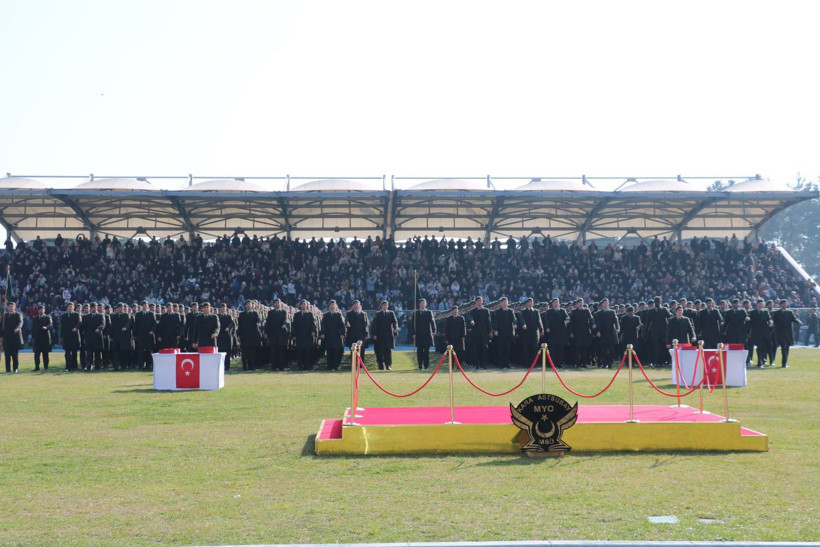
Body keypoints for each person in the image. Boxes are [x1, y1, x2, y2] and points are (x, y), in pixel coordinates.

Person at [771, 299, 802, 368]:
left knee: (787, 348)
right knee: (784, 347)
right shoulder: (776, 313)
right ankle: (784, 364)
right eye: (784, 304)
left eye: (786, 304)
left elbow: (794, 319)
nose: (785, 305)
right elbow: (772, 320)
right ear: (781, 304)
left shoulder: (789, 312)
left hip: (788, 333)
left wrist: (799, 322)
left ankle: (784, 363)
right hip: (780, 333)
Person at [371, 300, 398, 370]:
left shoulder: (391, 313)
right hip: (380, 336)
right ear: (381, 306)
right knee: (380, 351)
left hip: (388, 335)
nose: (385, 306)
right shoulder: (378, 314)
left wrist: (395, 330)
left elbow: (395, 322)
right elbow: (374, 325)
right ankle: (380, 365)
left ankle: (388, 365)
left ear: (387, 306)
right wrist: (374, 334)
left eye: (386, 305)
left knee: (388, 351)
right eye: (383, 305)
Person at [265, 298, 291, 371]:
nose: (277, 304)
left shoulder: (283, 312)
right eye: (276, 303)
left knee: (281, 352)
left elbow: (286, 320)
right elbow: (267, 323)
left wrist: (284, 324)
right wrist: (266, 332)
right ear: (274, 304)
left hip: (281, 335)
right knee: (273, 352)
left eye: (278, 303)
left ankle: (281, 367)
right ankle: (273, 367)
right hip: (273, 335)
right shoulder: (270, 312)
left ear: (280, 304)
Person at [320, 300, 346, 371]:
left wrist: (342, 334)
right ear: (328, 307)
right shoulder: (325, 315)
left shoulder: (338, 315)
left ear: (336, 306)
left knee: (336, 351)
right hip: (328, 336)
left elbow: (342, 325)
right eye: (331, 304)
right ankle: (329, 366)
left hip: (337, 336)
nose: (332, 306)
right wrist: (322, 333)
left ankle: (336, 366)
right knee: (329, 351)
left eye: (334, 304)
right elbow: (323, 325)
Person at [410, 298, 436, 370]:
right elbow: (413, 324)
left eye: (424, 303)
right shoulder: (416, 313)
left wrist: (434, 330)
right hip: (419, 334)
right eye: (421, 303)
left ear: (426, 304)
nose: (422, 304)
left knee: (426, 351)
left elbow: (432, 322)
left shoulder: (429, 312)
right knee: (420, 351)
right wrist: (413, 333)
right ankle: (420, 365)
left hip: (427, 334)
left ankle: (426, 365)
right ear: (419, 304)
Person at [292, 299, 318, 371]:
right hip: (299, 336)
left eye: (304, 304)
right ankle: (300, 366)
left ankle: (308, 366)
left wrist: (313, 331)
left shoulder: (310, 314)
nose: (303, 305)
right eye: (302, 304)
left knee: (308, 352)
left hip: (308, 336)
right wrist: (294, 335)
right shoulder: (297, 315)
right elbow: (294, 326)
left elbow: (313, 323)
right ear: (300, 305)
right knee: (300, 352)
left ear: (307, 305)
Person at [517, 297, 543, 367]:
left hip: (534, 333)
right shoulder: (522, 312)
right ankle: (527, 363)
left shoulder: (536, 311)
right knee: (526, 348)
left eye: (531, 302)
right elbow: (521, 319)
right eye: (529, 302)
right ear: (526, 304)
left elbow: (539, 321)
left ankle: (534, 363)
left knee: (535, 348)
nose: (530, 303)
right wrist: (524, 324)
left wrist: (541, 330)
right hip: (526, 333)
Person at [594, 298, 620, 368]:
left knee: (611, 349)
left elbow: (616, 320)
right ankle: (604, 363)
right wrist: (598, 331)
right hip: (603, 333)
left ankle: (610, 364)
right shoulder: (599, 313)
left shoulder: (612, 312)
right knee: (603, 350)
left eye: (607, 302)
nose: (606, 304)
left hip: (611, 332)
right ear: (602, 304)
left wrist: (618, 328)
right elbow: (597, 323)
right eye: (604, 303)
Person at [237, 300, 263, 370]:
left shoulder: (255, 313)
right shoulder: (242, 314)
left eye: (250, 304)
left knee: (252, 352)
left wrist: (258, 323)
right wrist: (238, 335)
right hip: (244, 336)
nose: (248, 305)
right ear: (245, 306)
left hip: (253, 336)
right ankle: (245, 367)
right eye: (247, 304)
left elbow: (259, 320)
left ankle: (252, 366)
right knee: (244, 352)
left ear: (252, 305)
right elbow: (240, 326)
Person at [748, 299, 773, 367]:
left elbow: (769, 319)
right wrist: (747, 318)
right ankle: (759, 362)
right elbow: (748, 318)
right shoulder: (752, 312)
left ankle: (762, 361)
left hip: (764, 333)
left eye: (763, 304)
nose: (762, 305)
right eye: (761, 304)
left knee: (763, 347)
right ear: (758, 304)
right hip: (756, 333)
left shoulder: (765, 312)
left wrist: (770, 322)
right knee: (759, 347)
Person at [544, 298, 569, 368]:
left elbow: (567, 317)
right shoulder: (549, 311)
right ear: (552, 304)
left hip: (561, 333)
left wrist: (567, 320)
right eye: (554, 302)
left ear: (559, 303)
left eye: (557, 302)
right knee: (552, 349)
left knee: (560, 349)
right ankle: (552, 363)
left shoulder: (562, 311)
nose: (556, 304)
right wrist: (547, 327)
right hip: (552, 332)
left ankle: (559, 363)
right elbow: (546, 320)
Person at [569, 298, 593, 368]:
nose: (580, 304)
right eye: (579, 303)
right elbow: (571, 323)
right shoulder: (573, 312)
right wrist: (571, 332)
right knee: (577, 349)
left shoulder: (586, 311)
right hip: (576, 332)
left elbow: (591, 318)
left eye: (581, 302)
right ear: (576, 304)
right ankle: (577, 363)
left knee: (584, 349)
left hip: (585, 332)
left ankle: (584, 363)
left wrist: (593, 324)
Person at [492, 297, 516, 369]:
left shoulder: (511, 311)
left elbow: (514, 318)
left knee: (508, 348)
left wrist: (515, 323)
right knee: (501, 348)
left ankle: (507, 363)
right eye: (504, 302)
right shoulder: (497, 311)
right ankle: (501, 364)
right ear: (501, 303)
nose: (505, 303)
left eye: (506, 302)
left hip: (508, 333)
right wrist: (495, 330)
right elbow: (495, 321)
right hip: (500, 333)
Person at [468, 296, 491, 369]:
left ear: (482, 302)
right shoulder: (472, 311)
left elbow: (488, 322)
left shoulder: (486, 310)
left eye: (480, 301)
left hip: (484, 333)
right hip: (475, 333)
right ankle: (476, 364)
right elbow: (470, 317)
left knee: (484, 348)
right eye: (477, 301)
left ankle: (484, 364)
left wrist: (490, 331)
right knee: (476, 349)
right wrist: (471, 321)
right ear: (475, 302)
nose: (479, 302)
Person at [133, 300, 157, 370]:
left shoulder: (151, 314)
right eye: (143, 305)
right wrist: (134, 334)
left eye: (146, 305)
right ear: (141, 306)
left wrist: (152, 331)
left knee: (149, 351)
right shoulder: (138, 314)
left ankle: (148, 365)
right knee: (140, 351)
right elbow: (135, 325)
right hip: (140, 336)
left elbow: (154, 324)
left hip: (149, 335)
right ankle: (141, 365)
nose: (145, 306)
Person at [109, 303, 132, 370]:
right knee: (115, 352)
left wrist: (125, 327)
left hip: (124, 337)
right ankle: (115, 367)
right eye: (119, 307)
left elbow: (129, 323)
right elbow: (111, 327)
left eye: (121, 307)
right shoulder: (113, 316)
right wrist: (111, 337)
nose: (120, 309)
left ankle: (123, 366)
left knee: (124, 352)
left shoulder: (126, 315)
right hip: (115, 337)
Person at [2, 302, 23, 373]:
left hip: (14, 337)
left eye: (12, 306)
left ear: (15, 307)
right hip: (7, 338)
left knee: (15, 354)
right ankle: (8, 369)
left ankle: (15, 368)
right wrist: (1, 336)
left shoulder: (18, 314)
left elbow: (20, 322)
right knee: (7, 355)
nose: (10, 307)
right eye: (9, 306)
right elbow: (1, 327)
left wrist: (17, 328)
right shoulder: (5, 315)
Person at [60, 302, 82, 371]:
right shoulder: (63, 316)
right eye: (68, 306)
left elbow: (80, 322)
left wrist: (76, 328)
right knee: (67, 353)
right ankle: (68, 367)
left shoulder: (77, 314)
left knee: (74, 352)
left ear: (73, 307)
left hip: (74, 336)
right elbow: (62, 327)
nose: (69, 308)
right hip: (66, 337)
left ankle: (74, 366)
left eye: (71, 306)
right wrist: (61, 336)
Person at [83, 302, 105, 370]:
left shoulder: (101, 315)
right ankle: (89, 365)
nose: (94, 309)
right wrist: (85, 336)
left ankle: (97, 366)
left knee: (97, 352)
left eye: (95, 307)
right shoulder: (86, 316)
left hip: (97, 336)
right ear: (91, 308)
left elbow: (103, 324)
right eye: (93, 308)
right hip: (89, 337)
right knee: (89, 353)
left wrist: (99, 328)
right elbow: (84, 327)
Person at [31, 304, 53, 371]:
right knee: (36, 353)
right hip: (37, 338)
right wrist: (33, 337)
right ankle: (37, 367)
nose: (41, 310)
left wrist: (46, 327)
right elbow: (32, 328)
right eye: (40, 309)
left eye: (42, 309)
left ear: (44, 310)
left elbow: (51, 325)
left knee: (45, 353)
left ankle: (46, 367)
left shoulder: (47, 317)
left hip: (45, 338)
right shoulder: (35, 318)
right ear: (38, 311)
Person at [217, 303, 236, 368]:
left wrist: (229, 327)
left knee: (227, 352)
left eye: (224, 307)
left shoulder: (229, 316)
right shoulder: (217, 316)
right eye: (221, 308)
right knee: (219, 351)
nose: (223, 309)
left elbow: (232, 323)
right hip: (219, 336)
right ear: (219, 309)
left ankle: (227, 366)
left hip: (227, 336)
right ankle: (220, 366)